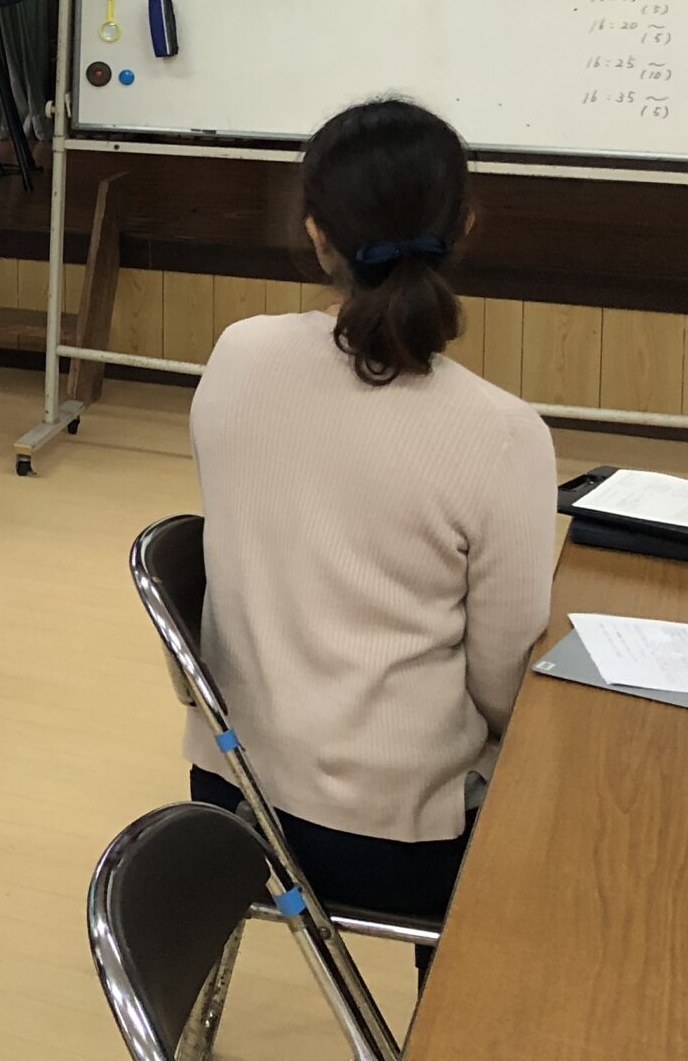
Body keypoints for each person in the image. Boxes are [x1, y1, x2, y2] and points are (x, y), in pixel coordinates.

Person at [184, 98, 555, 974]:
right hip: (398, 840)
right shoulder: (502, 434)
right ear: (465, 226)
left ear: (316, 235)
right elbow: (505, 681)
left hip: (230, 804)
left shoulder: (237, 354)